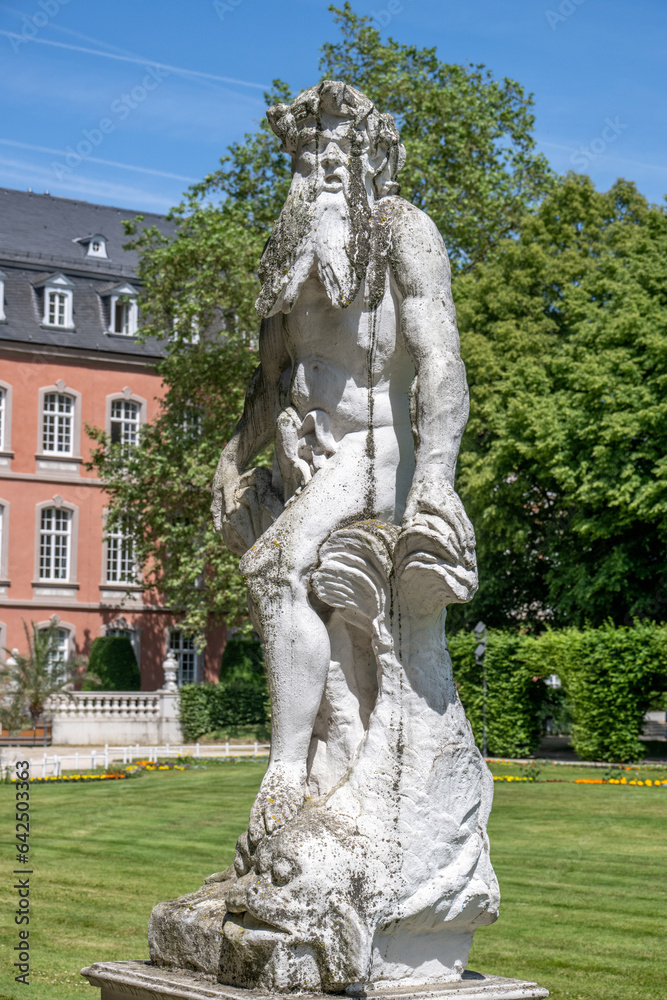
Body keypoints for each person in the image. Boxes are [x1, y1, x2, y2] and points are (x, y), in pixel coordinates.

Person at [211, 81, 476, 847]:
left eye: (336, 150)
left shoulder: (401, 229)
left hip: (373, 448)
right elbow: (270, 386)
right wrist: (234, 456)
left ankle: (286, 771)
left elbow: (439, 363)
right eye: (305, 153)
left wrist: (434, 475)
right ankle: (341, 765)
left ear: (370, 157)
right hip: (306, 457)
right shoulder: (287, 254)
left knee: (273, 566)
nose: (321, 166)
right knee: (326, 623)